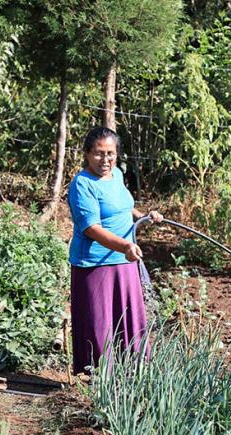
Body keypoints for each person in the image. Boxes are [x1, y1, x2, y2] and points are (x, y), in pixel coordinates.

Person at [67, 126, 163, 377]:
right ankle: (101, 380)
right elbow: (91, 228)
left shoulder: (117, 175)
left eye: (110, 153)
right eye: (99, 154)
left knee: (128, 321)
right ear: (87, 154)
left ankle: (132, 375)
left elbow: (123, 206)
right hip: (94, 264)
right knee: (100, 326)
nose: (105, 160)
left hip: (124, 261)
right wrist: (125, 245)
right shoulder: (82, 184)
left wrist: (144, 217)